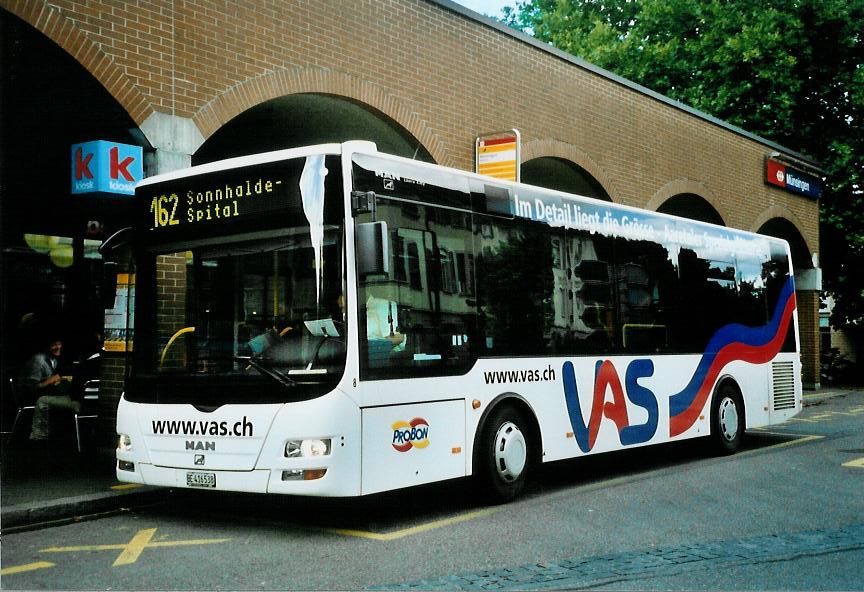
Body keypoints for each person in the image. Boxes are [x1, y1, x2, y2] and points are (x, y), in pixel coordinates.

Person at [18, 338, 80, 441]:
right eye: (54, 344)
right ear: (46, 346)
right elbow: (30, 388)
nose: (58, 347)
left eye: (59, 343)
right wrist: (50, 381)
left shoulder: (55, 359)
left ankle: (60, 435)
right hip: (32, 396)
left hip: (47, 393)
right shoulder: (39, 360)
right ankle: (38, 438)